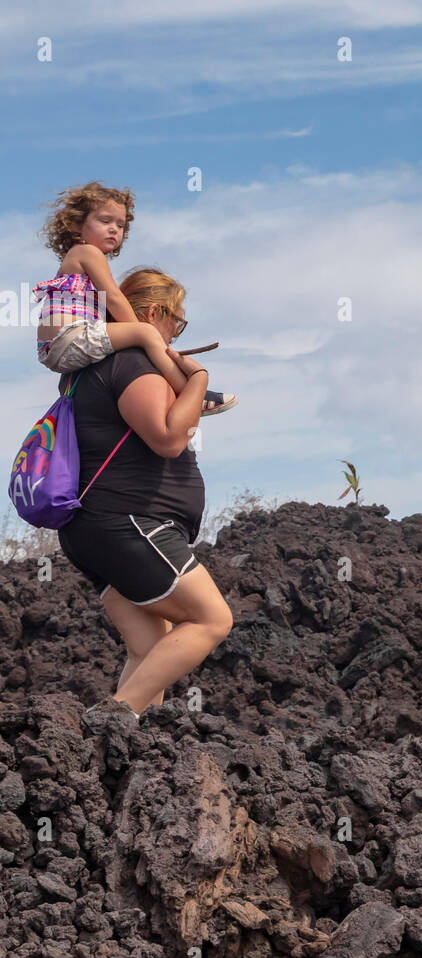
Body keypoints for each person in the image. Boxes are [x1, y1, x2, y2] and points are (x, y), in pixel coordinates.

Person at [55, 268, 233, 722]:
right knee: (212, 619)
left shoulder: (88, 370)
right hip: (130, 523)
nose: (177, 330)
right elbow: (168, 439)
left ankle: (126, 750)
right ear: (156, 313)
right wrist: (197, 381)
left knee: (151, 646)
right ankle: (106, 725)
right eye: (178, 320)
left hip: (96, 530)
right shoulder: (133, 363)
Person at [34, 180, 236, 415]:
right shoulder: (86, 252)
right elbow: (116, 299)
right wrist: (143, 334)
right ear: (78, 225)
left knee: (136, 338)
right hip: (68, 338)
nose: (114, 229)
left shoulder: (80, 258)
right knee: (145, 333)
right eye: (105, 220)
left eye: (120, 225)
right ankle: (192, 395)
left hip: (58, 347)